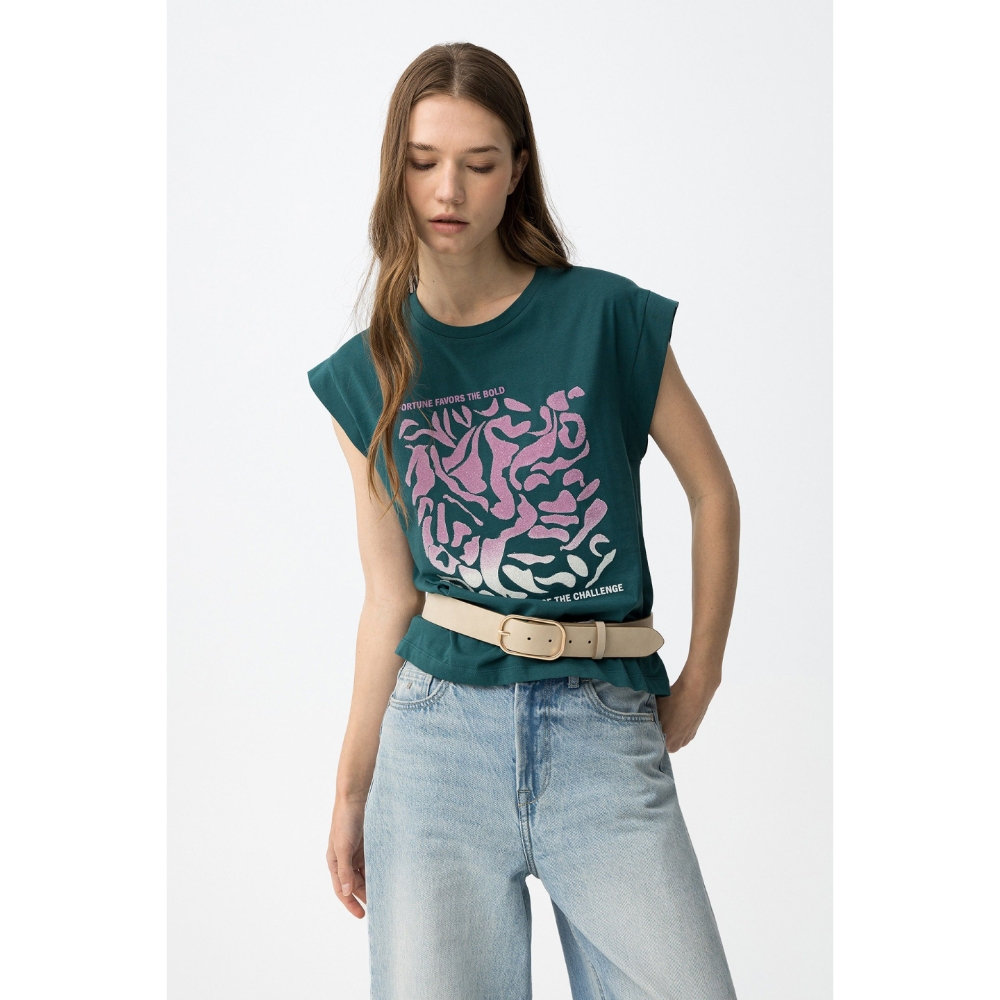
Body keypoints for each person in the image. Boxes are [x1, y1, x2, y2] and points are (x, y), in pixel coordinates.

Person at [307, 41, 741, 1000]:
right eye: (423, 162)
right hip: (435, 745)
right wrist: (350, 790)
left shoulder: (606, 317)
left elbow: (713, 491)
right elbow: (389, 598)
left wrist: (702, 675)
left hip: (603, 726)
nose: (447, 190)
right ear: (394, 171)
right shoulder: (368, 371)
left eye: (478, 163)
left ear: (517, 171)